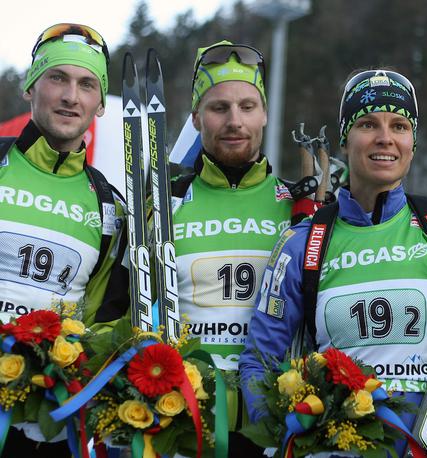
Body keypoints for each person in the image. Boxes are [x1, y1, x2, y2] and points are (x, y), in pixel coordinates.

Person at [239, 69, 427, 452]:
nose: (385, 138)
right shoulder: (303, 242)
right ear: (345, 141)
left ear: (413, 142)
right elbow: (260, 361)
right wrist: (294, 435)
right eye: (368, 124)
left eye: (399, 125)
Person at [0, 23, 127, 456]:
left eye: (87, 84)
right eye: (58, 78)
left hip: (49, 417)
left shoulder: (109, 205)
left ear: (100, 103)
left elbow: (103, 316)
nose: (72, 96)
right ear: (30, 87)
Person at [172, 40, 293, 455]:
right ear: (197, 117)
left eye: (247, 106)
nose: (234, 121)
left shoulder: (298, 207)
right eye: (218, 107)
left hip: (273, 425)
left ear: (265, 114)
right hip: (186, 423)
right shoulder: (164, 204)